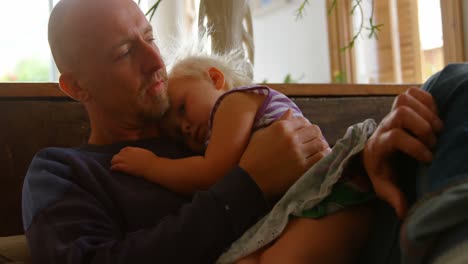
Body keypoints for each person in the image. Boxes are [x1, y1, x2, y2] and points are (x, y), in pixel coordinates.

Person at [20, 0, 451, 263]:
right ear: (76, 86)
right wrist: (249, 184)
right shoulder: (62, 173)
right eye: (123, 51)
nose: (155, 60)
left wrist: (372, 159)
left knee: (447, 89)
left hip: (361, 224)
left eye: (149, 36)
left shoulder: (201, 127)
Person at [109, 50, 374, 263]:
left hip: (329, 194)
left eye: (182, 108)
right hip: (297, 207)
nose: (185, 127)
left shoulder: (233, 103)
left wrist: (151, 166)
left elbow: (212, 173)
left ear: (215, 79)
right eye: (179, 134)